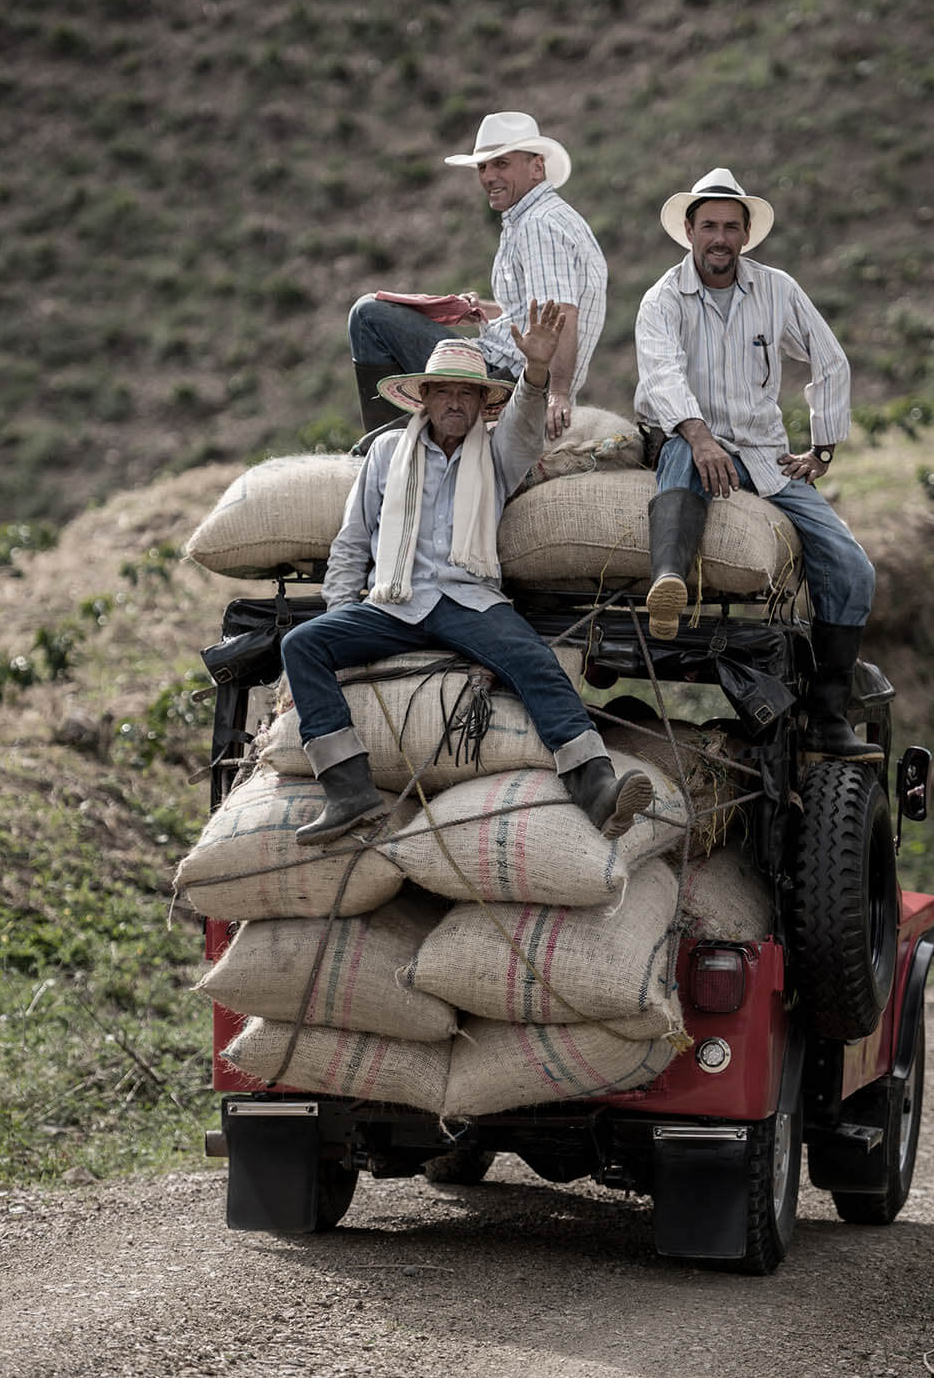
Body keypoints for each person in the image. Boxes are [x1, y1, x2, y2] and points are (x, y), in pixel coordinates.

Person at [282, 304, 652, 846]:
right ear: (425, 398)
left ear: (482, 403)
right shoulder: (387, 452)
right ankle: (348, 790)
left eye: (466, 393)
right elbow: (353, 540)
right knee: (302, 644)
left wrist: (537, 370)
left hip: (469, 601)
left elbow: (525, 424)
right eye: (443, 392)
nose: (454, 403)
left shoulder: (498, 453)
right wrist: (343, 615)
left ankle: (596, 788)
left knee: (537, 665)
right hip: (393, 603)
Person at [634, 169, 880, 763]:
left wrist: (823, 447)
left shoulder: (777, 290)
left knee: (853, 569)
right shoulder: (662, 299)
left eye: (730, 227)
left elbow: (830, 360)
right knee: (679, 452)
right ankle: (667, 581)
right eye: (709, 226)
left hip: (766, 456)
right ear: (689, 231)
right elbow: (662, 376)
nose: (719, 238)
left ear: (746, 235)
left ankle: (827, 719)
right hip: (690, 442)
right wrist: (699, 436)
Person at [347, 110, 608, 442]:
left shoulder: (537, 225)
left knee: (367, 315)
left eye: (501, 164)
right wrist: (483, 310)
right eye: (483, 167)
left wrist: (557, 392)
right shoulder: (550, 217)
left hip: (509, 379)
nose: (488, 176)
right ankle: (408, 435)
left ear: (537, 167)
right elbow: (534, 312)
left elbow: (560, 314)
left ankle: (388, 445)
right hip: (516, 371)